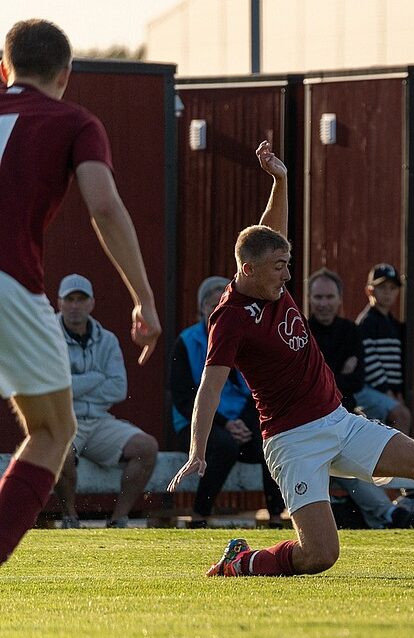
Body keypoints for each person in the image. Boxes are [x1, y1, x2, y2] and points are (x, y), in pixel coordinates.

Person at [169, 141, 414, 577]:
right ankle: (244, 561)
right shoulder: (229, 319)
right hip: (292, 441)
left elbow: (268, 232)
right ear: (248, 270)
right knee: (321, 555)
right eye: (279, 267)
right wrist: (198, 450)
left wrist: (281, 179)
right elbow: (209, 386)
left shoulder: (267, 274)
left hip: (337, 420)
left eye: (288, 264)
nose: (288, 275)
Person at [0, 19, 160, 565]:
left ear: (6, 68)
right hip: (9, 281)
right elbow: (105, 207)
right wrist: (143, 297)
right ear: (66, 74)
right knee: (53, 429)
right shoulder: (74, 120)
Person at [307, 267, 414, 529]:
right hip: (311, 422)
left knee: (353, 456)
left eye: (329, 297)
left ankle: (387, 512)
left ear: (339, 299)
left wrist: (329, 373)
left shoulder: (350, 330)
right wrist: (338, 372)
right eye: (319, 297)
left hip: (342, 414)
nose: (324, 303)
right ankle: (389, 511)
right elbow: (313, 383)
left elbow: (355, 380)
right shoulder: (302, 331)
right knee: (344, 456)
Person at [170, 275, 285, 528]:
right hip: (195, 425)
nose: (218, 311)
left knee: (273, 440)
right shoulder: (187, 342)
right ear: (201, 309)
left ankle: (276, 516)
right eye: (212, 306)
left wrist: (242, 422)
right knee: (225, 446)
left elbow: (254, 389)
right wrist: (225, 423)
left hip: (238, 420)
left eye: (223, 304)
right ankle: (199, 515)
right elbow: (183, 399)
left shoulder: (242, 337)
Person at [51, 274, 158, 528]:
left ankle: (119, 518)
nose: (75, 305)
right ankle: (70, 517)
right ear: (59, 303)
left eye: (81, 299)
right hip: (64, 418)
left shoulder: (107, 339)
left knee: (147, 448)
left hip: (99, 421)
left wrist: (74, 383)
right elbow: (55, 389)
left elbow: (119, 389)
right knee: (59, 453)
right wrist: (97, 377)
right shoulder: (47, 336)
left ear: (91, 304)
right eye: (70, 299)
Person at [354, 264, 412, 434]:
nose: (388, 292)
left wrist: (397, 391)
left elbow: (395, 364)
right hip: (371, 388)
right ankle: (394, 459)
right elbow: (370, 360)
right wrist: (387, 391)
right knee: (401, 416)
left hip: (390, 391)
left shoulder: (395, 325)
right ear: (369, 291)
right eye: (382, 287)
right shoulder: (367, 322)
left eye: (392, 288)